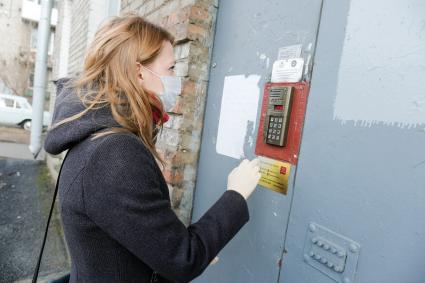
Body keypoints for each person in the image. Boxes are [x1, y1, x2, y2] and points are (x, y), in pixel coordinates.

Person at [43, 13, 261, 283]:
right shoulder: (114, 154)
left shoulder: (101, 136)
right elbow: (184, 260)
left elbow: (137, 239)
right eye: (170, 68)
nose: (176, 80)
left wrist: (181, 247)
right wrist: (236, 194)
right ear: (139, 72)